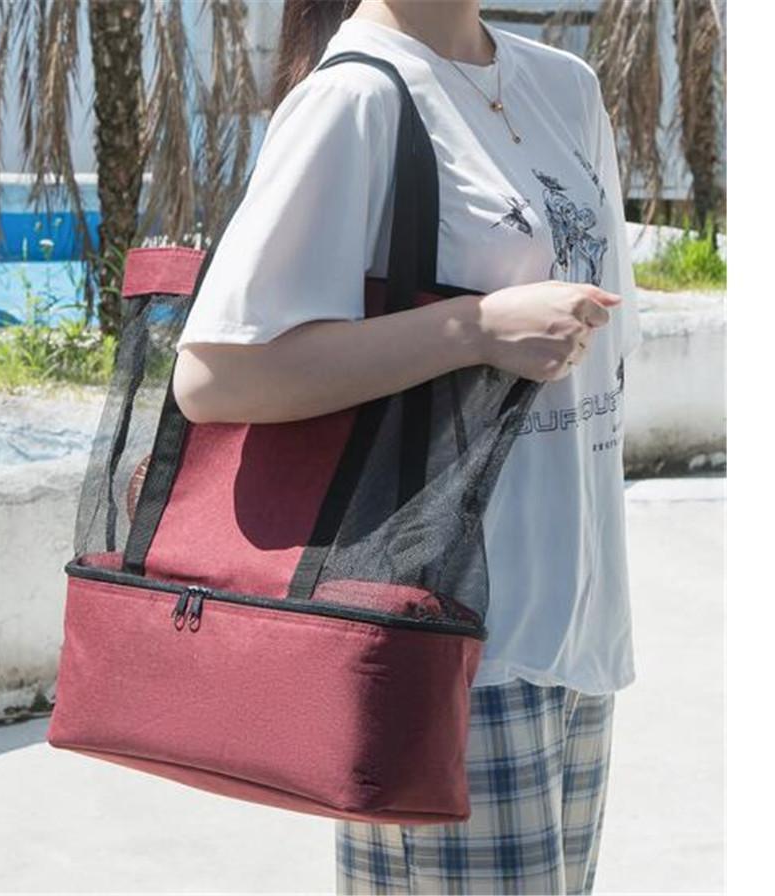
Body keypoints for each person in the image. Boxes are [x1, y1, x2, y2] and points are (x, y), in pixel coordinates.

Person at [173, 1, 643, 893]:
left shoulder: (565, 88)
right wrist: (475, 328)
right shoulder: (356, 97)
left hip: (578, 629)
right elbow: (215, 375)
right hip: (447, 644)